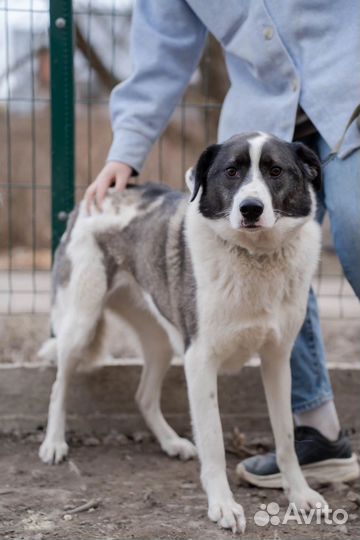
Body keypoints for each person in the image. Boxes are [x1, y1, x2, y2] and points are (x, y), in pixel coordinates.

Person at [85, 0, 360, 485]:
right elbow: (161, 50)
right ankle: (318, 431)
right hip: (262, 112)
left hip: (351, 90)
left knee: (356, 227)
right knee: (274, 261)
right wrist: (126, 149)